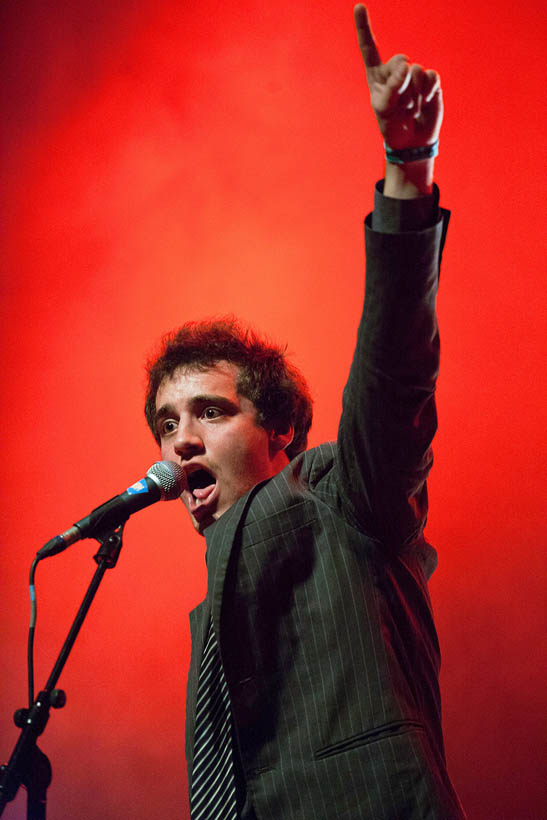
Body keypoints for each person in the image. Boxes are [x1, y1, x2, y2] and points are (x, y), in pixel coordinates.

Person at [144, 5, 465, 819]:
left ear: (280, 428)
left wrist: (408, 167)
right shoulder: (207, 612)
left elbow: (395, 376)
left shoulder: (337, 495)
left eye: (209, 411)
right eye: (165, 422)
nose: (180, 438)